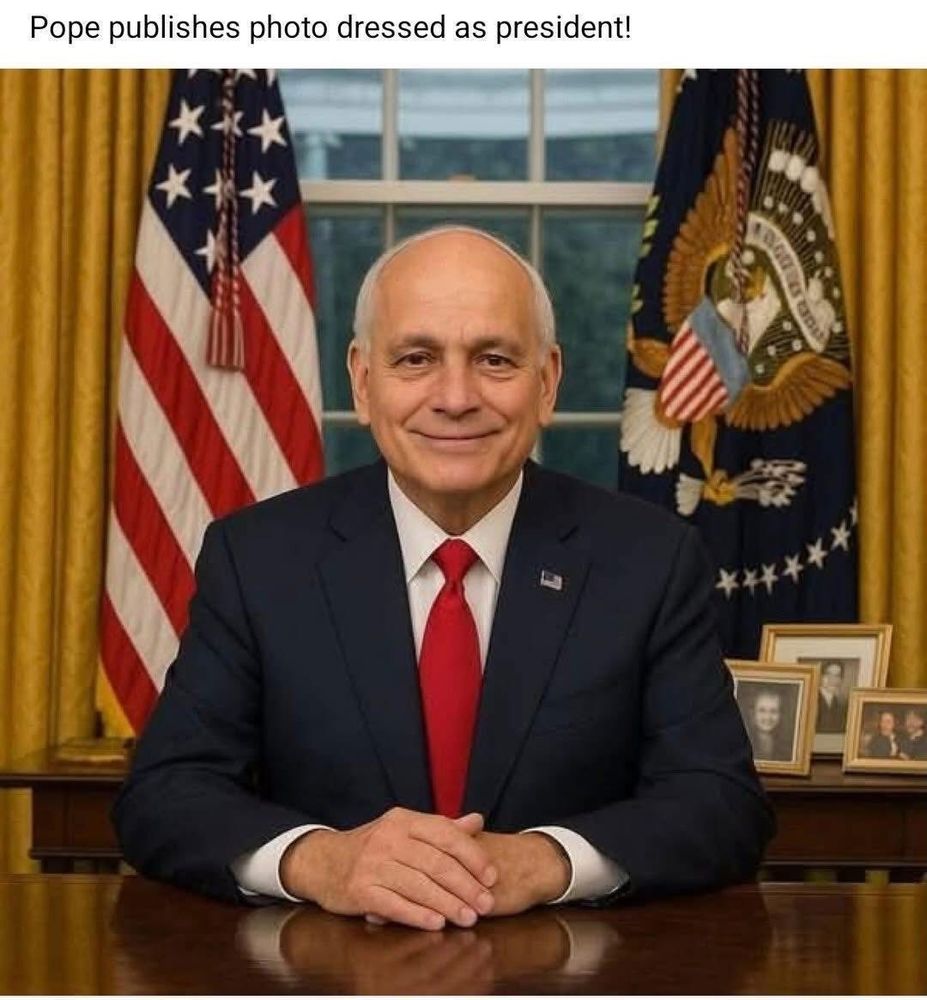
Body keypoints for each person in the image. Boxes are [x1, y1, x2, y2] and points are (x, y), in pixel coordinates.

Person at [113, 226, 774, 930]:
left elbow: (720, 802)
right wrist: (322, 862)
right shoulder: (258, 559)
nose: (455, 396)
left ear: (546, 382)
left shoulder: (650, 560)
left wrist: (543, 861)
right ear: (363, 384)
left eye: (493, 359)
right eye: (415, 358)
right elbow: (164, 793)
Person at [744, 689, 792, 762]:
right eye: (762, 710)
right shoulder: (743, 744)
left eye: (773, 711)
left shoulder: (787, 747)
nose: (768, 717)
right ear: (753, 713)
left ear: (781, 714)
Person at [816, 661, 849, 734]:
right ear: (820, 676)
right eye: (828, 674)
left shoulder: (841, 705)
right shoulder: (811, 699)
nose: (833, 680)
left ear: (841, 680)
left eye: (837, 676)